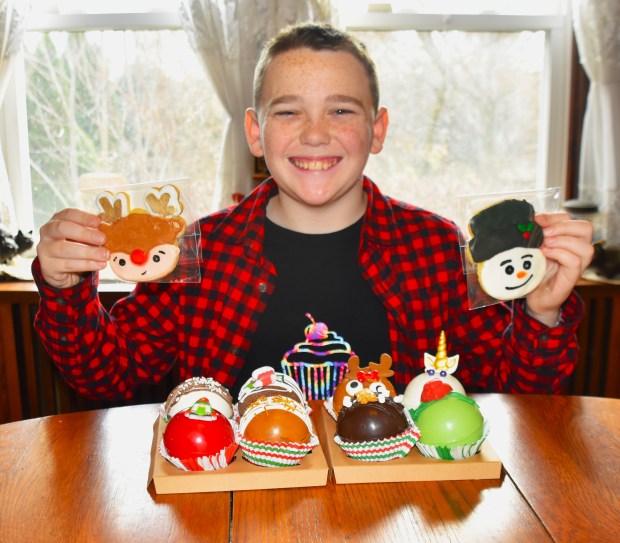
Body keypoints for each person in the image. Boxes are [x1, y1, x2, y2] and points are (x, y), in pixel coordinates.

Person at [33, 22, 594, 402]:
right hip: (232, 508)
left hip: (397, 510)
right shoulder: (199, 250)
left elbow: (513, 395)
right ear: (255, 132)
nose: (316, 134)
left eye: (342, 109)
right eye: (288, 112)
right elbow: (109, 376)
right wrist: (64, 288)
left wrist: (541, 316)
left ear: (377, 130)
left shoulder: (439, 246)